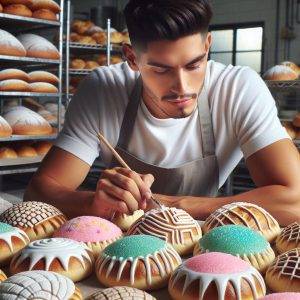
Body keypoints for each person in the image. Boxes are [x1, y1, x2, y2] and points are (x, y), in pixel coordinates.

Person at [25, 0, 300, 225]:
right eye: (161, 69)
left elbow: (295, 200)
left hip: (203, 242)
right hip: (123, 247)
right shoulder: (104, 89)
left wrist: (174, 204)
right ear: (132, 58)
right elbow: (38, 192)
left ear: (207, 47)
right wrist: (92, 202)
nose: (182, 87)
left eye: (194, 65)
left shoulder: (238, 88)